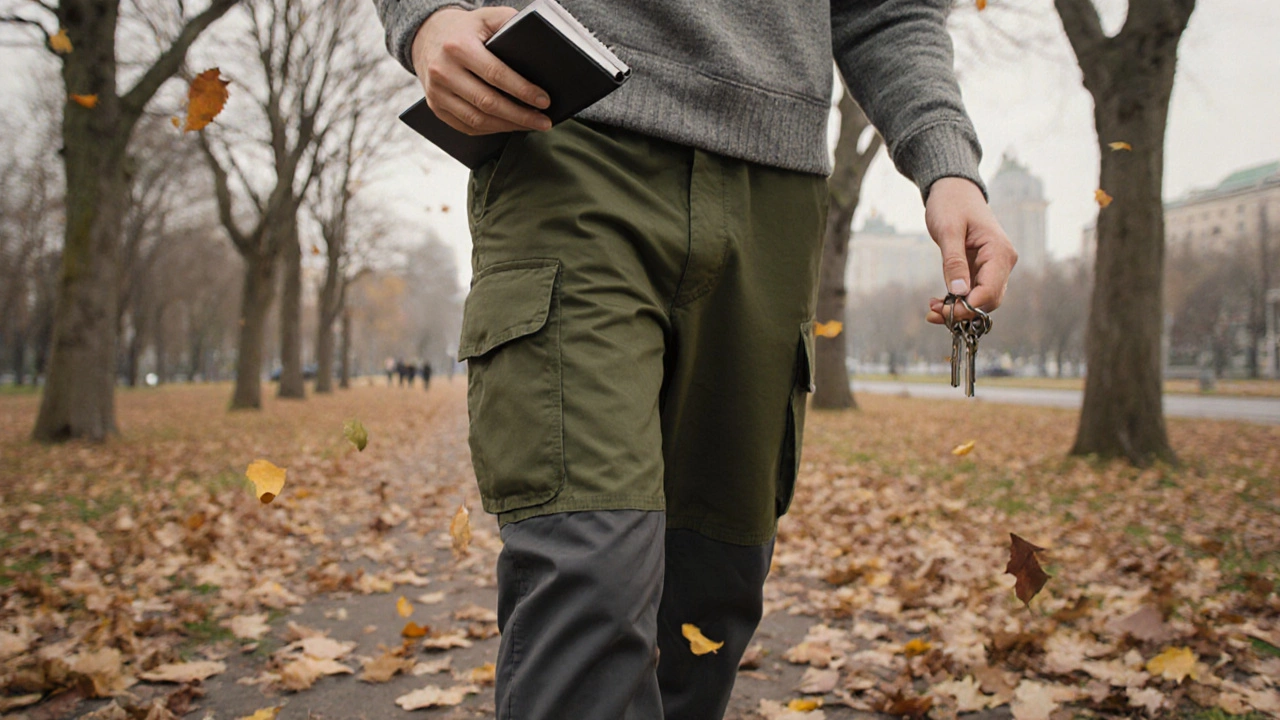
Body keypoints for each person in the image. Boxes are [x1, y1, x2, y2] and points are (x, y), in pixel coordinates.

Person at [374, 1, 1018, 718]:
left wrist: (948, 165)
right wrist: (426, 16)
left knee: (714, 591)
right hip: (571, 141)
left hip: (774, 190)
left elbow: (889, 9)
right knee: (590, 573)